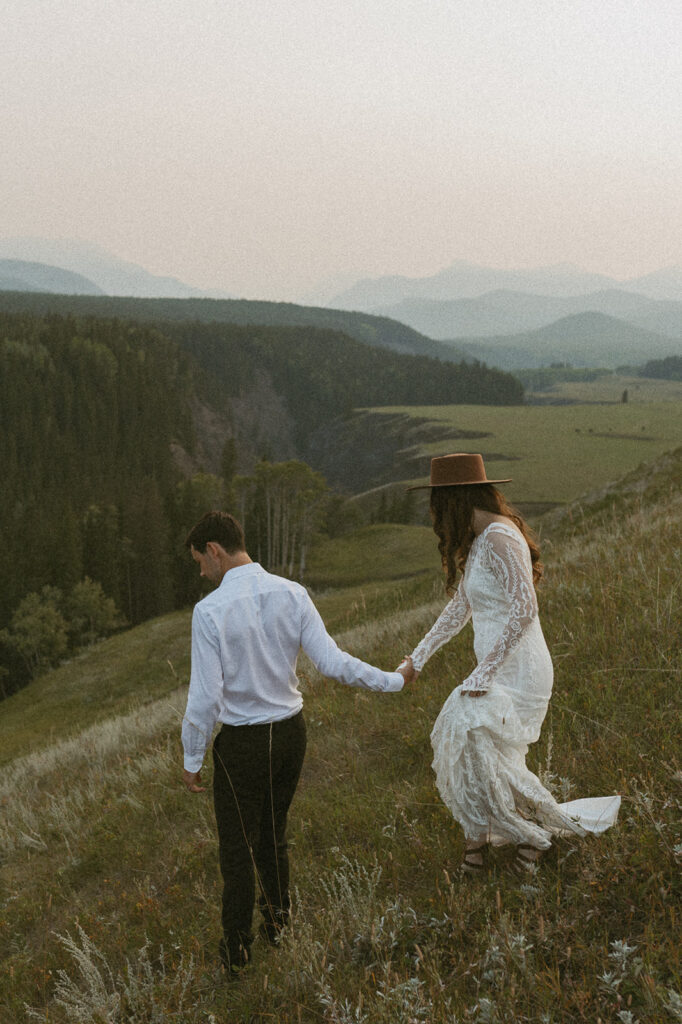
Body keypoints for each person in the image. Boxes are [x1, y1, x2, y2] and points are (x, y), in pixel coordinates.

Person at [181, 511, 410, 974]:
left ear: (215, 551)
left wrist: (191, 756)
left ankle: (236, 954)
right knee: (272, 834)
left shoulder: (209, 611)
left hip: (243, 744)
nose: (201, 572)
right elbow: (332, 661)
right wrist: (393, 680)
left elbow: (206, 697)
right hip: (290, 735)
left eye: (199, 561)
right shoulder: (293, 593)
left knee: (237, 849)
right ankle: (279, 927)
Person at [400, 453, 620, 873]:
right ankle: (485, 842)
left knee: (468, 736)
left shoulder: (501, 538)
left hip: (521, 670)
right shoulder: (482, 541)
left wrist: (486, 670)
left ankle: (527, 837)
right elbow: (459, 608)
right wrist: (417, 658)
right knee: (477, 751)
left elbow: (525, 608)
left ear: (456, 500)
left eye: (438, 505)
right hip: (498, 667)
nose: (436, 516)